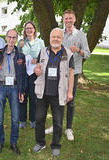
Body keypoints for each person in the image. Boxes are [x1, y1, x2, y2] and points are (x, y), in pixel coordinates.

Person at [45, 10, 91, 141]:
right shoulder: (60, 33)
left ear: (75, 19)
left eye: (70, 18)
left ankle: (68, 128)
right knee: (56, 99)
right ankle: (55, 125)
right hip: (59, 72)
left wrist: (78, 51)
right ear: (63, 20)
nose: (68, 21)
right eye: (66, 18)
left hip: (73, 72)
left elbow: (87, 54)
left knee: (70, 101)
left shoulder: (80, 35)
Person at [32, 28, 74, 156]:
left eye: (58, 37)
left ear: (62, 39)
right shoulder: (43, 51)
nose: (55, 39)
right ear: (49, 38)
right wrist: (36, 70)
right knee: (39, 119)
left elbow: (71, 74)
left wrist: (70, 92)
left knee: (58, 121)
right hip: (43, 92)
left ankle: (55, 145)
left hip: (59, 93)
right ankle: (40, 143)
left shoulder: (67, 53)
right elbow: (38, 66)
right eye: (53, 37)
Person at [0, 29, 25, 155]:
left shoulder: (20, 56)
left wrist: (22, 92)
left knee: (15, 119)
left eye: (14, 37)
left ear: (16, 39)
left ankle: (13, 143)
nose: (12, 40)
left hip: (14, 88)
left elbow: (23, 75)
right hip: (1, 87)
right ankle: (0, 142)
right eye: (10, 37)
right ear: (6, 38)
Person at [18, 21, 45, 129]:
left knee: (34, 98)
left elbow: (44, 56)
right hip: (24, 73)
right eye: (27, 28)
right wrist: (20, 49)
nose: (29, 30)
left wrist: (37, 60)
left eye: (31, 28)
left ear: (34, 29)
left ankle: (33, 120)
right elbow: (18, 57)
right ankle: (22, 120)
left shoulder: (40, 42)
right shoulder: (21, 42)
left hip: (35, 73)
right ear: (25, 30)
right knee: (23, 96)